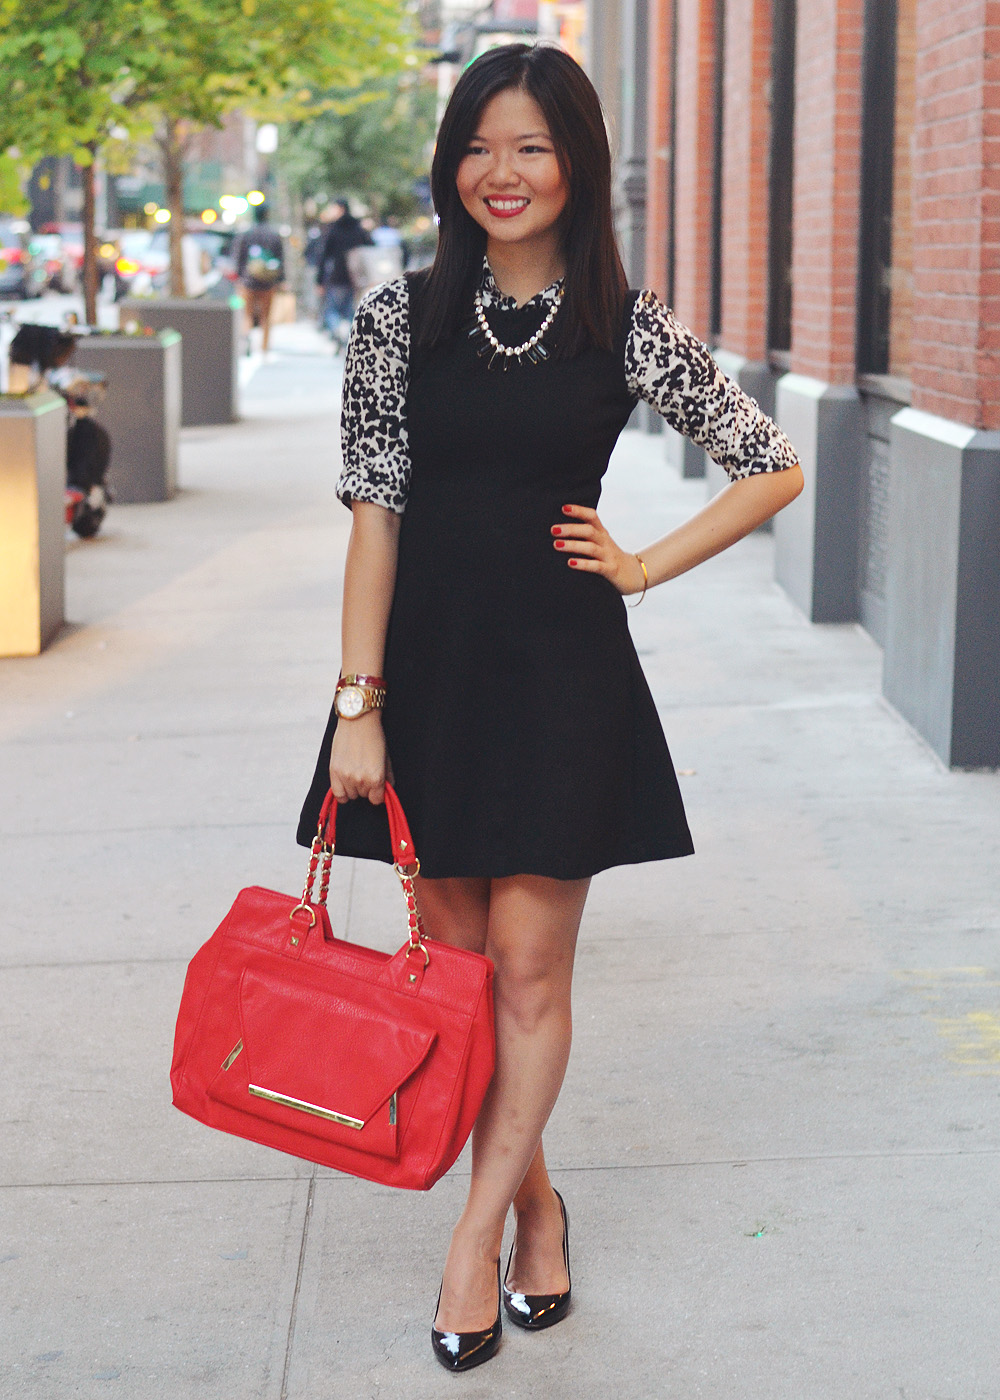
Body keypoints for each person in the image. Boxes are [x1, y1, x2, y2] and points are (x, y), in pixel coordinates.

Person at [297, 42, 802, 1372]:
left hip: (563, 679)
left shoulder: (624, 324)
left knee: (527, 975)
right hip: (427, 679)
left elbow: (769, 463)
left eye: (530, 146)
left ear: (576, 162)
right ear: (449, 164)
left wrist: (640, 565)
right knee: (459, 983)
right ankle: (537, 1204)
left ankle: (475, 1241)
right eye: (477, 146)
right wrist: (358, 701)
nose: (501, 172)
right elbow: (373, 520)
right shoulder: (398, 318)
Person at [316, 199, 371, 347]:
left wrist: (319, 281)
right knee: (350, 310)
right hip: (358, 278)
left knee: (332, 310)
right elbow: (370, 249)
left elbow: (324, 256)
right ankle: (348, 335)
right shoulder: (359, 229)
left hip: (337, 277)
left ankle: (339, 333)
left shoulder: (333, 229)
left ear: (340, 209)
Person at [235, 204, 285, 353]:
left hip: (248, 281)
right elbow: (280, 259)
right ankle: (264, 346)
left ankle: (246, 339)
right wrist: (281, 279)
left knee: (247, 314)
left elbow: (239, 257)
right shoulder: (274, 235)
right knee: (266, 316)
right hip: (268, 282)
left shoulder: (247, 234)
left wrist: (239, 276)